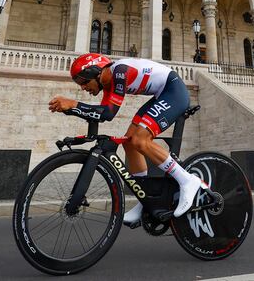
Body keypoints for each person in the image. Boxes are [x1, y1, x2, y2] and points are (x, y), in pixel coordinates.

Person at [49, 53, 206, 226]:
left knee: (140, 140)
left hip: (173, 92)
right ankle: (145, 199)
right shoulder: (108, 84)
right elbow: (103, 115)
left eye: (84, 82)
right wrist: (70, 109)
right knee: (130, 143)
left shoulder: (120, 72)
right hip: (161, 95)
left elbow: (108, 113)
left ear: (95, 72)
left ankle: (187, 181)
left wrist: (73, 105)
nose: (83, 88)